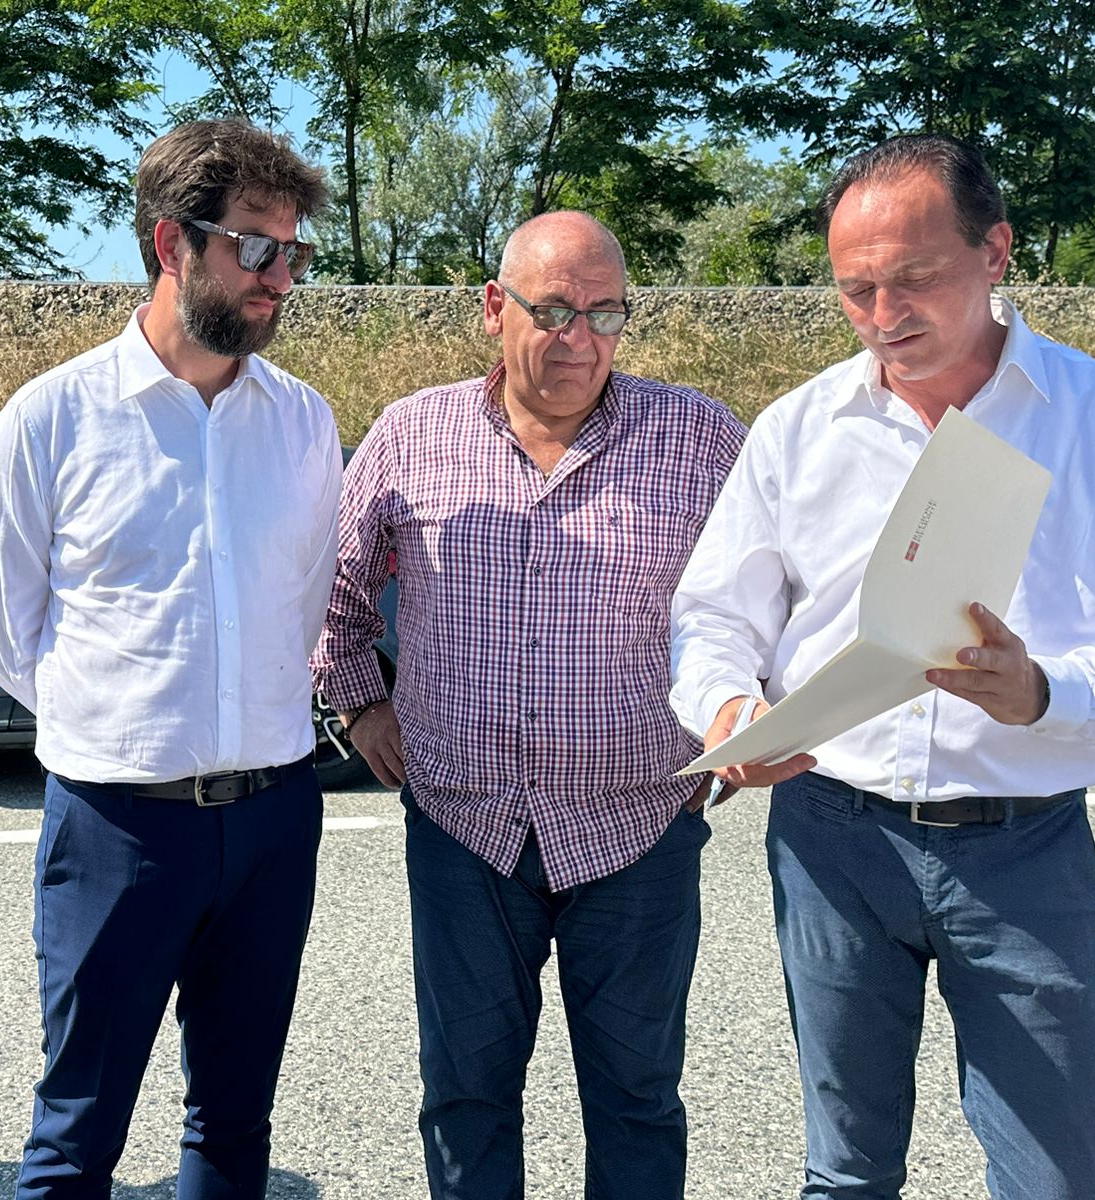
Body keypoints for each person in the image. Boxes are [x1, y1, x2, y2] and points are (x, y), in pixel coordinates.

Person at [670, 134, 1095, 1200]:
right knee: (844, 1174)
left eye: (914, 278)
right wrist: (729, 708)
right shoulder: (798, 429)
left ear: (996, 251)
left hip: (1025, 848)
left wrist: (1045, 692)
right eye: (855, 290)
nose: (884, 314)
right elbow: (711, 615)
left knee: (1054, 1180)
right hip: (832, 840)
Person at [313, 210, 746, 1200]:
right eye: (552, 311)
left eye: (604, 313)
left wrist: (734, 730)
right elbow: (335, 588)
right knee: (465, 1098)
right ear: (492, 308)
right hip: (464, 833)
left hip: (640, 830)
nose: (578, 339)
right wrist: (362, 706)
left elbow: (776, 595)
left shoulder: (700, 438)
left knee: (637, 1100)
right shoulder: (410, 435)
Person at [0, 119, 341, 1200]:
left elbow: (307, 604)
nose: (279, 278)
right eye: (255, 247)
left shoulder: (304, 422)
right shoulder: (52, 417)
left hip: (274, 820)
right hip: (116, 827)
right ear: (173, 243)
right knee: (76, 1132)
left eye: (293, 252)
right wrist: (121, 727)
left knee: (235, 1122)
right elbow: (3, 628)